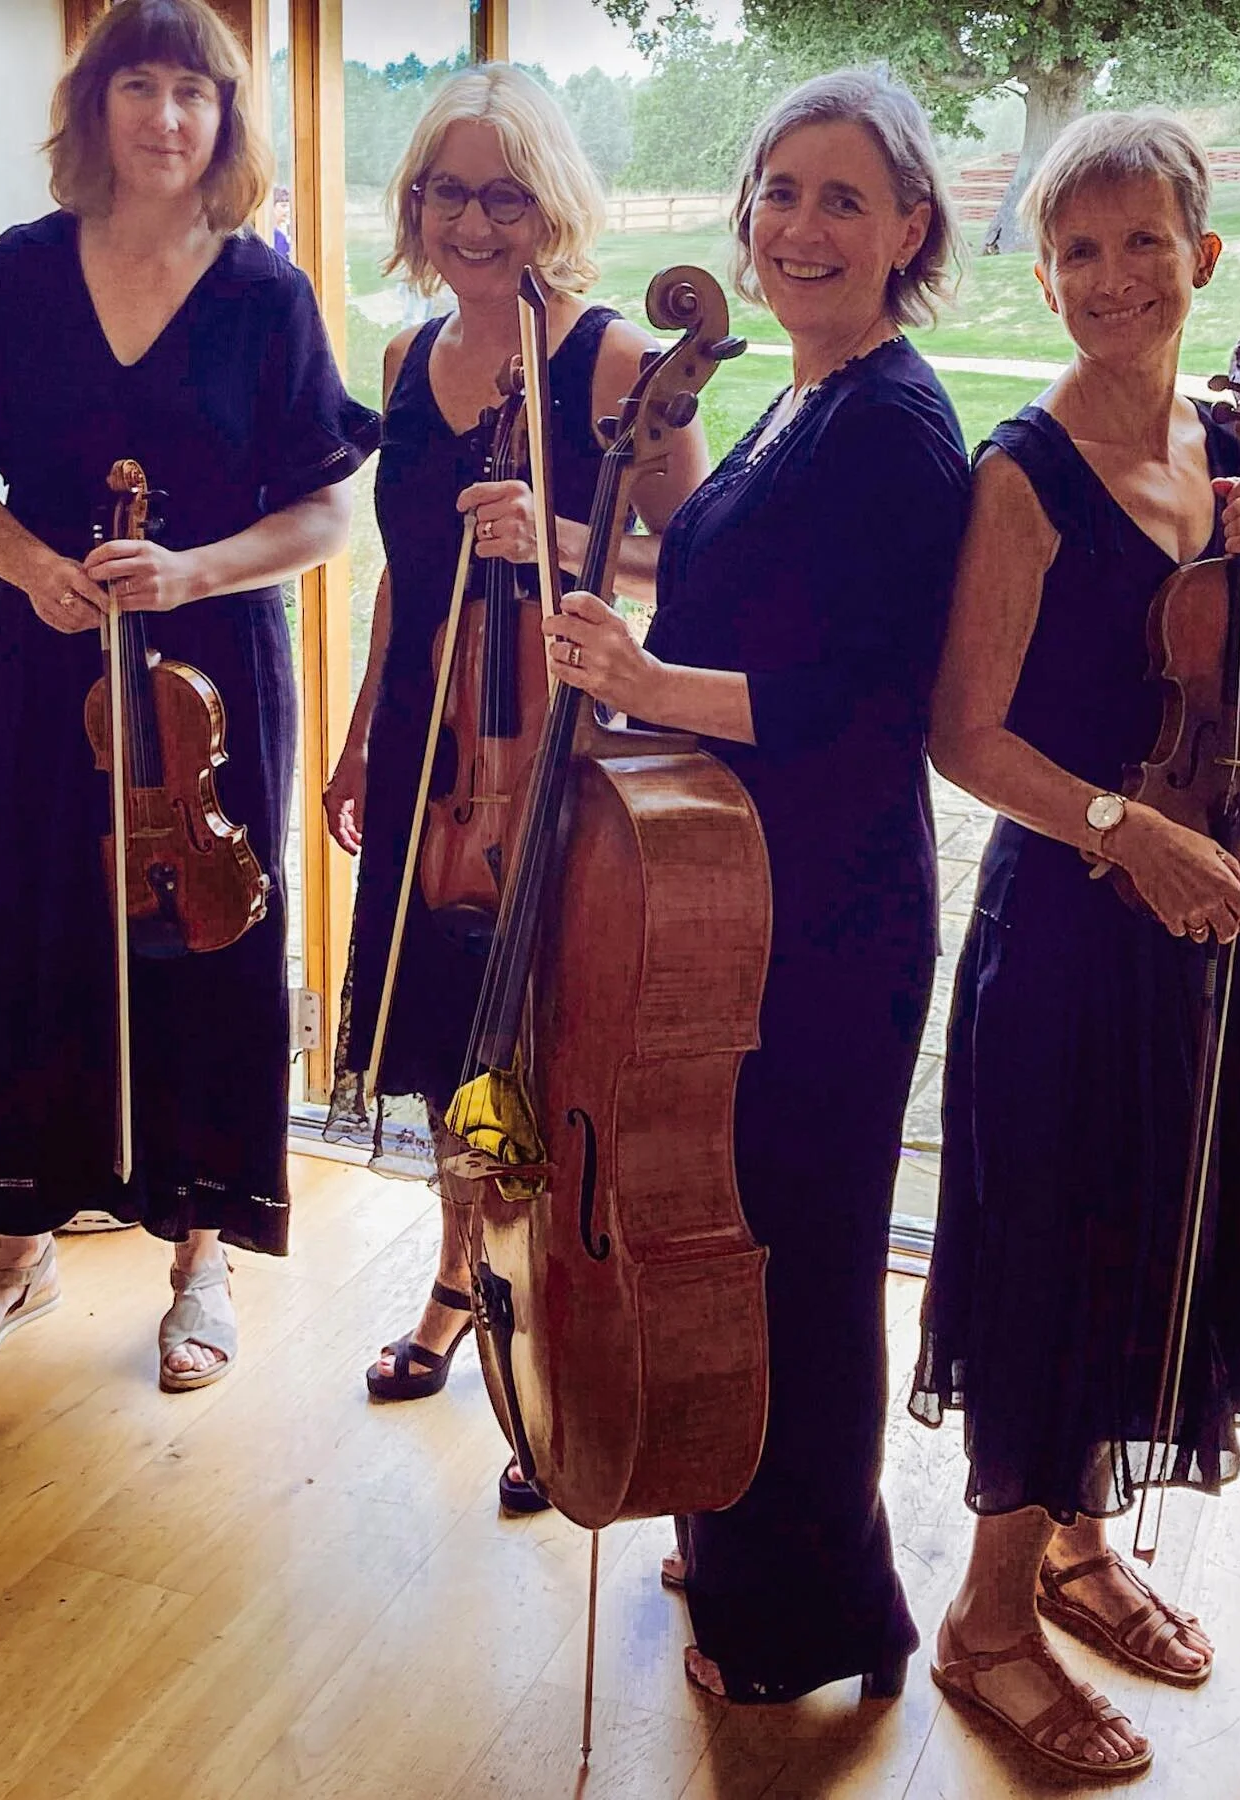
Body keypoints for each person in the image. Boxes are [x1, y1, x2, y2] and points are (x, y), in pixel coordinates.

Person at [542, 68, 969, 1702]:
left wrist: (647, 684)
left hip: (833, 908)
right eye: (780, 192)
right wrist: (609, 604)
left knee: (799, 1244)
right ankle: (739, 1527)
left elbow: (864, 706)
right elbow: (741, 605)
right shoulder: (800, 395)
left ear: (910, 227)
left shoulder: (894, 427)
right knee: (739, 1233)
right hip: (740, 895)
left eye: (845, 198)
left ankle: (816, 1620)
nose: (801, 227)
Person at [909, 111, 1240, 1778]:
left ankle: (1077, 1553)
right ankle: (987, 1622)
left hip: (1203, 915)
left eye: (1145, 241)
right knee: (1051, 1264)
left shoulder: (1225, 447)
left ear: (1202, 258)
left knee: (1159, 1240)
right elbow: (961, 735)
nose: (1113, 277)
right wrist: (1114, 829)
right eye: (1078, 249)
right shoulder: (1023, 472)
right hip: (1069, 937)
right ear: (1047, 274)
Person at [0, 0, 379, 1390]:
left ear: (225, 120)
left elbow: (323, 519)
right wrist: (37, 564)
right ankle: (20, 1246)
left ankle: (202, 1253)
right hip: (47, 662)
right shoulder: (20, 275)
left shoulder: (263, 294)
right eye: (141, 89)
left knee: (210, 953)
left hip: (210, 671)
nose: (169, 119)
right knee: (33, 944)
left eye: (196, 94)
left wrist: (192, 571)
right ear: (96, 109)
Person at [320, 65, 707, 1509]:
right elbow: (406, 580)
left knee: (546, 1046)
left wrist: (556, 531)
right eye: (445, 191)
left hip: (552, 757)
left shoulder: (609, 363)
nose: (473, 221)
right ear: (413, 206)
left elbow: (699, 560)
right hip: (435, 755)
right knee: (447, 1049)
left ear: (552, 203)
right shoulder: (411, 359)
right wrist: (367, 728)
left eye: (504, 191)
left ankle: (551, 1332)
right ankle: (456, 1284)